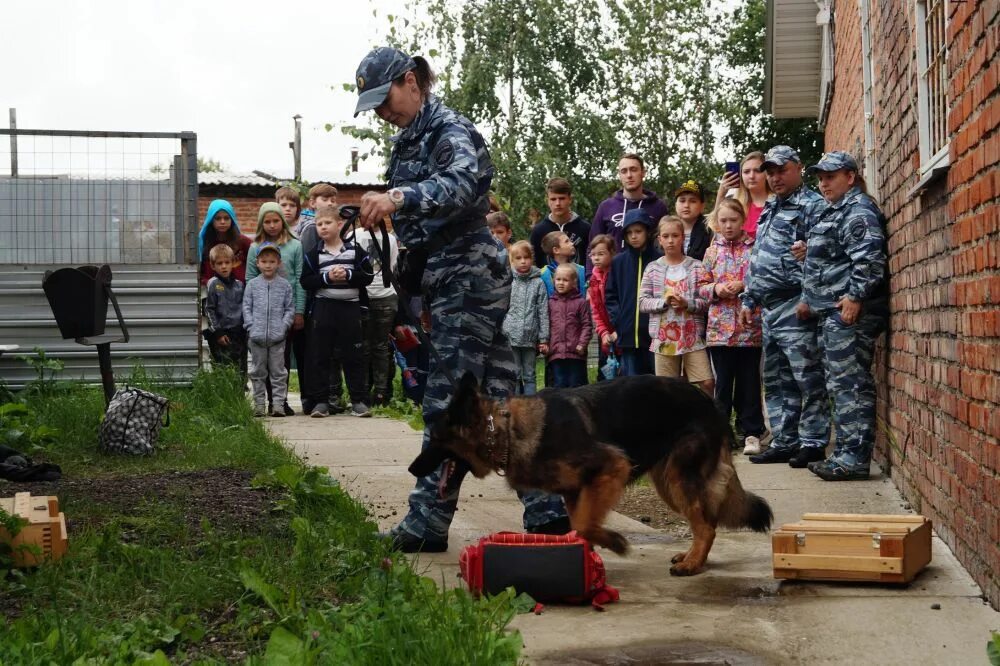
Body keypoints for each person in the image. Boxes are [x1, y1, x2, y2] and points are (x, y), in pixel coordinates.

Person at [354, 46, 569, 552]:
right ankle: (548, 512)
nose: (383, 112)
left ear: (411, 80)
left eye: (385, 99)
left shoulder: (449, 127)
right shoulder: (408, 139)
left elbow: (460, 182)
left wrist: (398, 198)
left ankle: (426, 522)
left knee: (447, 403)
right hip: (445, 278)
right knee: (502, 403)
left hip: (469, 277)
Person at [739, 145, 830, 468]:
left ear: (798, 168)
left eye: (782, 170)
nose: (775, 177)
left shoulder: (812, 206)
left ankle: (813, 441)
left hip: (796, 301)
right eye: (771, 171)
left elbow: (821, 257)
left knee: (807, 376)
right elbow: (758, 256)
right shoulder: (770, 208)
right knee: (776, 379)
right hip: (769, 307)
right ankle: (785, 439)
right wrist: (749, 297)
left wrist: (810, 297)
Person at [800, 151, 888, 480]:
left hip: (851, 312)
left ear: (850, 177)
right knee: (841, 385)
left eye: (830, 176)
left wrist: (854, 296)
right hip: (834, 311)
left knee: (850, 385)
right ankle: (845, 454)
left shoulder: (858, 209)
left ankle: (853, 459)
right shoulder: (838, 210)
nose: (823, 183)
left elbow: (869, 258)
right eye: (820, 177)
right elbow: (839, 255)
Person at [700, 199, 766, 454]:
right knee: (723, 384)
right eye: (723, 221)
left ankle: (751, 431)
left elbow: (761, 279)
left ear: (742, 220)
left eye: (733, 220)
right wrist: (717, 288)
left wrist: (743, 286)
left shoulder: (754, 248)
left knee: (750, 381)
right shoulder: (711, 251)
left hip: (749, 328)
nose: (728, 226)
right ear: (717, 222)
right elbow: (701, 286)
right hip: (719, 331)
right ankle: (721, 434)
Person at [300, 206, 374, 418]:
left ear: (339, 224)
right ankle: (322, 402)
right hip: (324, 308)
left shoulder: (355, 251)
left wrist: (349, 274)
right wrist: (327, 279)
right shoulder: (314, 254)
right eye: (319, 224)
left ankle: (359, 401)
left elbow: (367, 276)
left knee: (354, 355)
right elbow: (305, 281)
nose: (323, 227)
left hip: (350, 308)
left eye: (327, 223)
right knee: (321, 355)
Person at [639, 216, 713, 395]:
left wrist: (687, 303)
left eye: (675, 235)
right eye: (666, 236)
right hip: (663, 337)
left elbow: (706, 302)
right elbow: (642, 302)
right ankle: (670, 423)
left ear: (682, 238)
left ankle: (709, 419)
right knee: (666, 388)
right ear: (660, 240)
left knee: (707, 381)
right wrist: (663, 302)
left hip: (692, 335)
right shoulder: (652, 268)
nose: (670, 240)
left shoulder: (696, 267)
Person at [247, 202, 305, 416]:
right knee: (259, 366)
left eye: (276, 220)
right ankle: (263, 403)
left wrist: (298, 312)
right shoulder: (255, 247)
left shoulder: (295, 245)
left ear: (283, 221)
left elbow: (299, 279)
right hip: (259, 322)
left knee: (280, 363)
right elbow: (249, 281)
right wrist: (251, 322)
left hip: (283, 316)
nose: (272, 225)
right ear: (261, 223)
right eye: (267, 221)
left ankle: (280, 403)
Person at [589, 153, 670, 272]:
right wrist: (590, 278)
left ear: (643, 172)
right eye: (624, 171)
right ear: (619, 175)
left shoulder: (658, 207)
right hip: (611, 275)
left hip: (649, 273)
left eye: (633, 170)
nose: (629, 175)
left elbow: (667, 241)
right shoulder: (606, 207)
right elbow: (592, 244)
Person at [243, 242, 294, 417]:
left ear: (278, 263)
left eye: (272, 261)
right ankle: (258, 405)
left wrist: (284, 326)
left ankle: (278, 405)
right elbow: (246, 307)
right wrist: (250, 326)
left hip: (277, 338)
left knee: (279, 372)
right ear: (257, 263)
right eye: (264, 261)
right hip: (256, 338)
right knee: (258, 372)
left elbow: (289, 309)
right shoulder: (252, 285)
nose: (268, 265)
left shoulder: (285, 285)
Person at [605, 208, 659, 376]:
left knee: (657, 384)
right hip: (628, 335)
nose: (634, 236)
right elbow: (610, 295)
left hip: (654, 336)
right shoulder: (618, 262)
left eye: (638, 231)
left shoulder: (660, 260)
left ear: (648, 232)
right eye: (629, 232)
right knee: (632, 385)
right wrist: (619, 320)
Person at [357, 227, 400, 406]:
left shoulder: (389, 238)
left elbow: (392, 265)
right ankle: (363, 391)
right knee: (364, 346)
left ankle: (381, 392)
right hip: (363, 295)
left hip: (385, 294)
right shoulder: (356, 235)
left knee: (381, 346)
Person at [275, 186, 309, 409]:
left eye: (291, 205)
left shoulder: (303, 232)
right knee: (280, 357)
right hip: (275, 306)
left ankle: (309, 398)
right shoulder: (268, 234)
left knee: (304, 353)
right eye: (283, 204)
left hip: (300, 300)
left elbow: (300, 276)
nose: (287, 209)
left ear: (298, 209)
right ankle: (280, 400)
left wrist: (299, 309)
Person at [501, 241, 548, 395]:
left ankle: (531, 406)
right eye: (518, 258)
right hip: (511, 336)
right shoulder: (508, 282)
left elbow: (543, 311)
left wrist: (543, 338)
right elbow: (502, 308)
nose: (523, 261)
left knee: (529, 375)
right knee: (514, 374)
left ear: (531, 259)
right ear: (511, 261)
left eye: (526, 257)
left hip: (530, 337)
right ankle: (515, 407)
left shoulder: (538, 283)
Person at [202, 244, 247, 381]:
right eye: (219, 263)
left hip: (238, 333)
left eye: (227, 262)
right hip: (221, 335)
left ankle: (239, 399)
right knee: (223, 370)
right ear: (213, 265)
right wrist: (218, 332)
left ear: (233, 263)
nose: (224, 266)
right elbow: (209, 309)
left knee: (240, 370)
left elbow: (245, 308)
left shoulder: (240, 285)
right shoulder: (213, 284)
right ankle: (224, 399)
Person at [546, 264, 592, 388]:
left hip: (576, 353)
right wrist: (545, 344)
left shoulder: (581, 302)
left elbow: (587, 325)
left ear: (573, 282)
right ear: (553, 280)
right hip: (556, 353)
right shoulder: (550, 303)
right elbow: (546, 325)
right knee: (559, 384)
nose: (561, 283)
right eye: (558, 279)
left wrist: (582, 344)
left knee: (576, 385)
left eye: (565, 280)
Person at [529, 178, 591, 269]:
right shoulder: (538, 231)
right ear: (548, 201)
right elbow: (533, 264)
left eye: (562, 198)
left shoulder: (585, 229)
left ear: (570, 199)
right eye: (553, 199)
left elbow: (591, 260)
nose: (557, 203)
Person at [713, 151, 772, 240]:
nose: (751, 176)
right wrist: (721, 195)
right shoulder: (736, 204)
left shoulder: (777, 202)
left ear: (766, 173)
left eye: (757, 171)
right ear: (741, 175)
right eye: (746, 172)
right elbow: (717, 228)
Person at [199, 199, 252, 286]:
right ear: (211, 220)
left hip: (240, 294)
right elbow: (198, 272)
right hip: (212, 295)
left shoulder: (243, 242)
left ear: (232, 219)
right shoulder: (202, 243)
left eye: (226, 218)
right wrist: (207, 282)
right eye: (218, 218)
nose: (222, 222)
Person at [587, 234, 617, 380]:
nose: (596, 258)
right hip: (605, 335)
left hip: (621, 332)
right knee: (605, 373)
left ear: (612, 253)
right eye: (593, 255)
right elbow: (595, 311)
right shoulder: (593, 279)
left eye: (601, 254)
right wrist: (603, 332)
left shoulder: (617, 274)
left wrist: (618, 331)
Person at [673, 180, 713, 261]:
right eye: (682, 200)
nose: (686, 205)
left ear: (702, 206)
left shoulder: (710, 230)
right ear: (676, 204)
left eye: (693, 201)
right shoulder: (667, 228)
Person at [539, 231, 586, 296]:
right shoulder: (544, 274)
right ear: (556, 250)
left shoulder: (580, 270)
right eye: (567, 241)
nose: (572, 243)